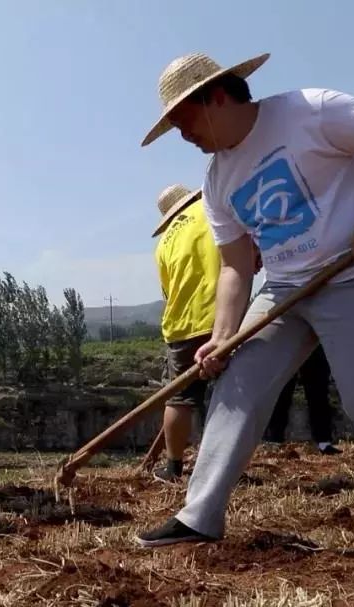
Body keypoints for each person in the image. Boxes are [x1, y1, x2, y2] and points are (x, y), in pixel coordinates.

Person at [133, 51, 354, 568]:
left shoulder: (311, 111)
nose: (183, 135)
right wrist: (222, 335)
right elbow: (237, 267)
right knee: (238, 386)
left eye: (183, 120)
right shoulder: (217, 181)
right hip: (284, 289)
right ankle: (199, 515)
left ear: (214, 97)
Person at [139, 184, 219, 482]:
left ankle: (173, 467)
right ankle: (223, 464)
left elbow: (167, 290)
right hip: (220, 317)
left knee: (179, 400)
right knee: (230, 393)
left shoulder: (163, 244)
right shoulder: (211, 212)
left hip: (179, 327)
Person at [264, 345, 341, 455]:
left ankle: (323, 443)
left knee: (318, 393)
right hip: (288, 341)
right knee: (281, 393)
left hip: (314, 341)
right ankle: (273, 440)